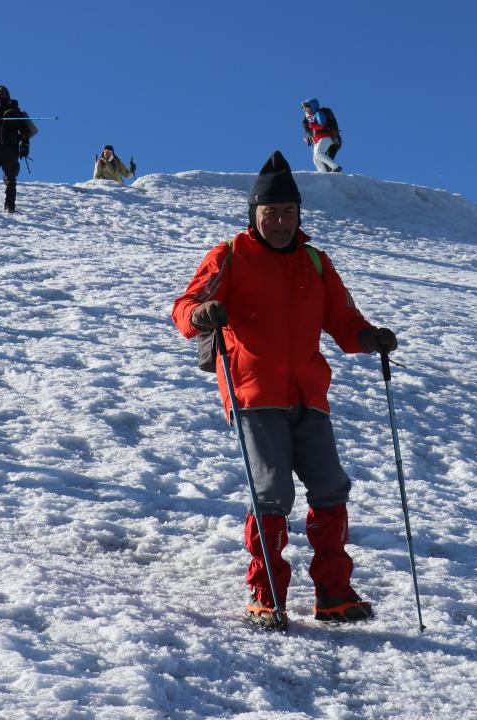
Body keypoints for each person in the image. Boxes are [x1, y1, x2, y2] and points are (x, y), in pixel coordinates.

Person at [171, 150, 397, 631]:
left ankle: (333, 593)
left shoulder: (315, 261)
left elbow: (342, 320)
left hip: (309, 393)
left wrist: (369, 337)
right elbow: (185, 307)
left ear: (299, 215)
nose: (280, 222)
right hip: (253, 393)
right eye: (270, 213)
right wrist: (201, 314)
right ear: (254, 215)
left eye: (288, 212)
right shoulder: (230, 255)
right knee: (271, 492)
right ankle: (266, 593)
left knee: (330, 487)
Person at [301, 98, 341, 173]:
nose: (305, 109)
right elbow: (312, 130)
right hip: (318, 139)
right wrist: (308, 138)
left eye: (307, 107)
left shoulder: (319, 114)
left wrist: (311, 125)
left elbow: (322, 125)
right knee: (315, 158)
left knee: (318, 153)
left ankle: (335, 167)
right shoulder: (309, 118)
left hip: (325, 137)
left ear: (312, 106)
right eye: (304, 108)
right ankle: (323, 173)